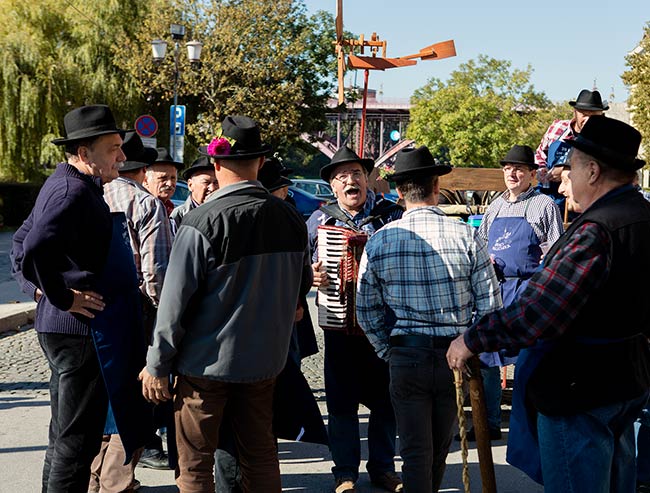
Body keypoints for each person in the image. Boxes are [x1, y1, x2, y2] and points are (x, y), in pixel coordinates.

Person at [447, 116, 650, 491]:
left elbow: (537, 314)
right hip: (624, 382)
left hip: (580, 389)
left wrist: (471, 340)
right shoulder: (641, 216)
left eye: (569, 168)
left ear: (592, 171)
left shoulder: (596, 230)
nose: (562, 178)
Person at [139, 115, 313, 492]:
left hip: (205, 365)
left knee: (195, 465)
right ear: (261, 163)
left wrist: (157, 365)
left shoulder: (202, 221)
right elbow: (302, 290)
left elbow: (174, 305)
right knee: (262, 456)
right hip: (266, 363)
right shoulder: (291, 218)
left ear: (216, 165)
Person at [11, 105, 150, 492]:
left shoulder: (68, 183)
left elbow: (22, 242)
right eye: (113, 149)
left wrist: (40, 290)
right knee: (78, 442)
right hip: (77, 331)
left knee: (65, 436)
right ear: (85, 153)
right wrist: (58, 296)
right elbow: (34, 245)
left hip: (71, 329)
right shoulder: (72, 189)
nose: (122, 157)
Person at [356, 145, 502, 492]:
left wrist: (387, 351)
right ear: (437, 186)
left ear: (398, 191)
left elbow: (366, 309)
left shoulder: (380, 241)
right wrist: (469, 344)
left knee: (416, 452)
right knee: (436, 450)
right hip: (455, 356)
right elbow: (491, 306)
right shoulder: (466, 234)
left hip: (408, 355)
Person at [306, 146, 403, 493]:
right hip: (339, 325)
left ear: (369, 179)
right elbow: (301, 266)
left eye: (358, 174)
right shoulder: (320, 221)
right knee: (341, 402)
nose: (351, 180)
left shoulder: (391, 216)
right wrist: (311, 275)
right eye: (342, 176)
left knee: (385, 402)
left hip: (382, 326)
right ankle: (344, 472)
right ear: (333, 186)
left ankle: (383, 468)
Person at [87, 131, 174, 491]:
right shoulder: (145, 203)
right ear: (144, 170)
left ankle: (93, 478)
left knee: (101, 398)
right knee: (135, 403)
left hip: (91, 312)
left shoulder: (90, 195)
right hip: (135, 313)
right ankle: (115, 482)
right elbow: (157, 274)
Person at [471, 145, 563, 441]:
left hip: (527, 291)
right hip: (494, 289)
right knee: (486, 356)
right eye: (508, 168)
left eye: (519, 169)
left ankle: (532, 422)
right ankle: (489, 422)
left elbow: (556, 251)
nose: (512, 173)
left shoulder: (544, 205)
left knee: (529, 359)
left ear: (532, 174)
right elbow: (479, 243)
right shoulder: (495, 206)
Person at [534, 89, 608, 207]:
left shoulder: (605, 140)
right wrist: (542, 169)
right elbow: (540, 154)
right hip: (546, 194)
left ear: (601, 116)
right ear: (575, 112)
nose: (588, 120)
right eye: (584, 114)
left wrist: (566, 170)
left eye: (593, 116)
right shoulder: (557, 128)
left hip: (579, 202)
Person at [171, 156, 219, 229]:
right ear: (190, 185)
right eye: (206, 182)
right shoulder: (179, 215)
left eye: (216, 183)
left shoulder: (224, 212)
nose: (212, 188)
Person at [143, 147, 183, 219]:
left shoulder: (170, 209)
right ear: (145, 181)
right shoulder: (141, 208)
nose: (169, 184)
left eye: (173, 178)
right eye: (163, 178)